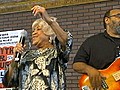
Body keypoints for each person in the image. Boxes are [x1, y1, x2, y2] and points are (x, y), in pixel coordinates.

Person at [3, 5, 73, 90]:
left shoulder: (57, 54)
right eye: (33, 31)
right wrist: (14, 58)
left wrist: (49, 22)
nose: (34, 33)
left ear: (49, 34)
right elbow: (8, 82)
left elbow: (66, 41)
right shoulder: (26, 56)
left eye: (38, 29)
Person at [73, 9, 120, 90]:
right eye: (118, 15)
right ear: (107, 20)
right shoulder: (92, 41)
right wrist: (90, 70)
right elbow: (76, 64)